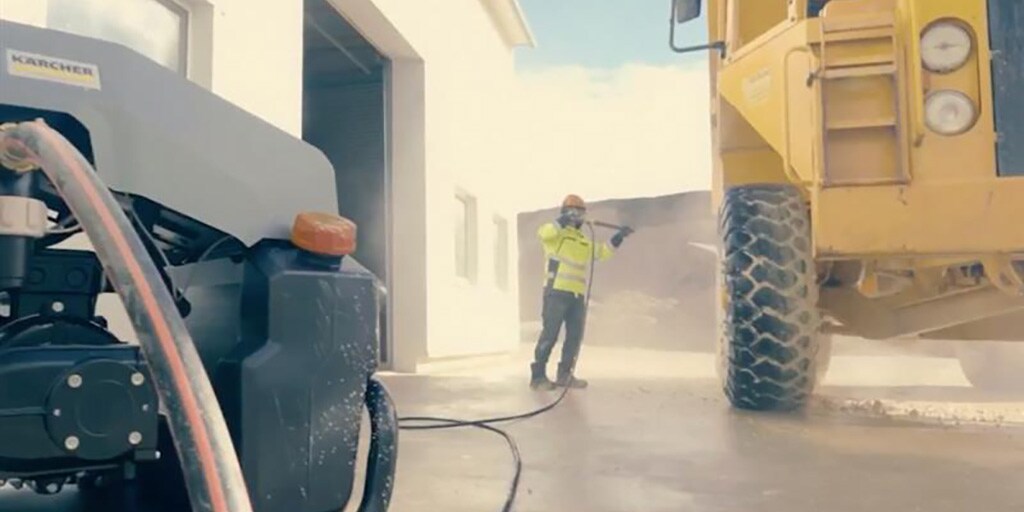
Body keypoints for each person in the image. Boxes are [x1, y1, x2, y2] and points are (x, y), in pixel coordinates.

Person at [530, 194, 633, 390]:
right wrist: (562, 220)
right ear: (564, 213)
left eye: (580, 212)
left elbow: (602, 252)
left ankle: (565, 374)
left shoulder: (582, 241)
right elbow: (544, 233)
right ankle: (537, 377)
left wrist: (618, 237)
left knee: (574, 336)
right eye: (573, 211)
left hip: (576, 297)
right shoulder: (554, 235)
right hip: (556, 293)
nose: (577, 215)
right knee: (549, 335)